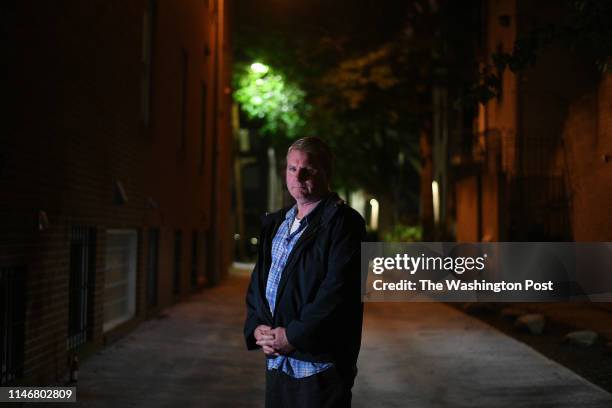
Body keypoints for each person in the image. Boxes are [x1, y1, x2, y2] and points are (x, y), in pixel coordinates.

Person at [244, 136, 366, 408]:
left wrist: (292, 336)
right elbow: (259, 285)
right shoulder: (276, 223)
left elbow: (337, 294)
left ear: (325, 173)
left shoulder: (344, 224)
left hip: (320, 367)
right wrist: (257, 328)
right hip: (278, 362)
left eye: (307, 169)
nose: (297, 176)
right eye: (291, 168)